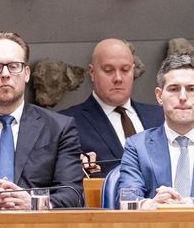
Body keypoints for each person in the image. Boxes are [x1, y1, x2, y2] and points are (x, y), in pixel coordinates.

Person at [0, 32, 84, 210]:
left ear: (26, 73)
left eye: (14, 66)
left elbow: (73, 194)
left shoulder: (59, 128)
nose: (5, 74)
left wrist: (34, 202)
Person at [117, 54, 194, 206]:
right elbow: (128, 198)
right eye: (174, 89)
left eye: (191, 89)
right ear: (159, 96)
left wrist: (186, 204)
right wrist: (151, 204)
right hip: (153, 227)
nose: (183, 97)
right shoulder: (137, 146)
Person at [60, 39, 164, 176]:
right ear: (92, 72)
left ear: (133, 71)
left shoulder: (161, 116)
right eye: (108, 70)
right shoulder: (66, 123)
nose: (118, 78)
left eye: (125, 70)